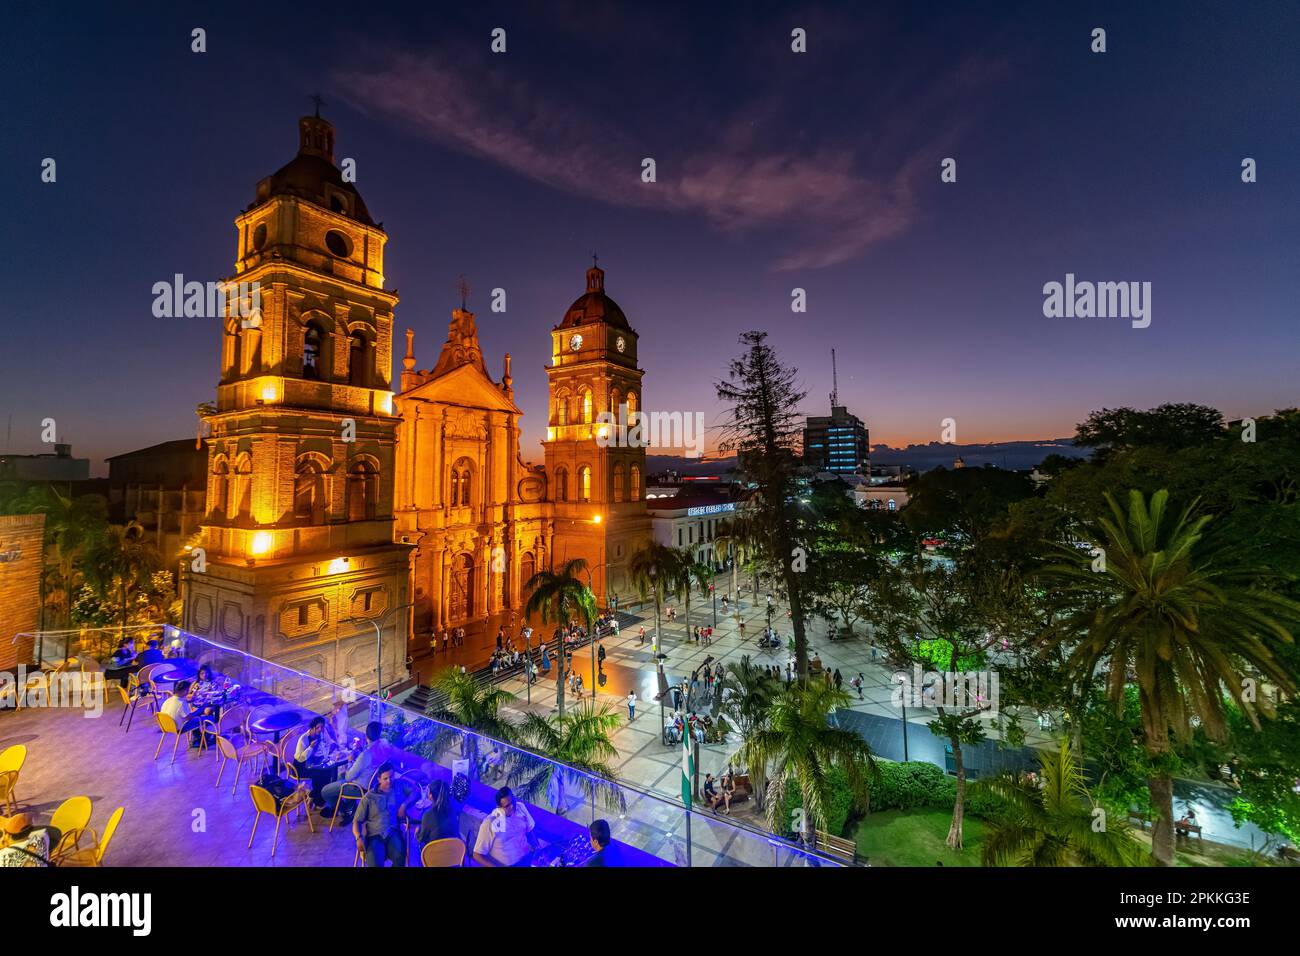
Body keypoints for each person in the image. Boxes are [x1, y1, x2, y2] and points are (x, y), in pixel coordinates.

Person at [321, 721, 400, 816]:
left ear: (366, 736)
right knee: (340, 776)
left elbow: (348, 777)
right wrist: (361, 749)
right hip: (373, 783)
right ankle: (350, 808)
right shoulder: (384, 744)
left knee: (325, 791)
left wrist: (350, 761)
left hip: (360, 788)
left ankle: (342, 810)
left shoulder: (366, 755)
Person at [353, 762, 414, 867]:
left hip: (393, 833)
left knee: (400, 856)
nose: (389, 781)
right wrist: (358, 837)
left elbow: (416, 792)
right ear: (379, 779)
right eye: (385, 778)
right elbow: (357, 821)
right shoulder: (369, 797)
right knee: (375, 863)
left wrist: (404, 805)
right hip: (374, 836)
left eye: (391, 777)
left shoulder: (399, 786)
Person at [473, 787, 537, 866]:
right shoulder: (490, 823)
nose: (512, 807)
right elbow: (477, 855)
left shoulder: (520, 807)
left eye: (513, 802)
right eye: (507, 806)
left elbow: (530, 830)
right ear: (499, 807)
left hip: (526, 859)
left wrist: (537, 850)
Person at [293, 717, 334, 809]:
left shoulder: (322, 733)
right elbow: (300, 758)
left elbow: (329, 743)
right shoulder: (303, 739)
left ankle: (320, 798)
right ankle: (315, 797)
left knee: (328, 771)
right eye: (318, 727)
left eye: (322, 727)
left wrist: (331, 747)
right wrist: (310, 748)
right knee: (319, 774)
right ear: (312, 728)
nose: (320, 729)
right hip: (301, 766)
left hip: (314, 762)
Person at [416, 779, 459, 848]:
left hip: (434, 855)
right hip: (452, 854)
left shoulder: (428, 815)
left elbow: (421, 838)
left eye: (428, 792)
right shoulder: (453, 811)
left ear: (431, 796)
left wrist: (417, 832)